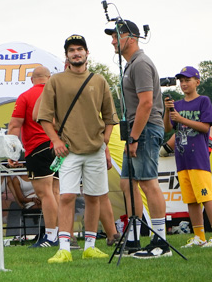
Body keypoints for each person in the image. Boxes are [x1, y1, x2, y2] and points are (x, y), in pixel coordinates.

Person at [37, 34, 117, 263]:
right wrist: (56, 141)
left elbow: (110, 117)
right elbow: (43, 116)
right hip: (69, 151)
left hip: (95, 150)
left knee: (94, 198)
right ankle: (64, 248)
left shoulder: (99, 80)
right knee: (67, 197)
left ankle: (90, 246)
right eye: (72, 50)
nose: (76, 53)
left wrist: (105, 144)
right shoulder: (56, 81)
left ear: (87, 53)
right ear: (67, 55)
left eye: (80, 49)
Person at [107, 19, 170, 258]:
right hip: (136, 131)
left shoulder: (141, 63)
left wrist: (133, 138)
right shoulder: (131, 64)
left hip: (143, 130)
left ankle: (161, 242)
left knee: (147, 182)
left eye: (116, 36)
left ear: (130, 38)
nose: (113, 41)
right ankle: (133, 239)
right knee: (127, 183)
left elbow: (146, 103)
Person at [8, 66, 61, 247]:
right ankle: (63, 235)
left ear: (32, 80)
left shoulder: (25, 96)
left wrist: (12, 153)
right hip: (59, 148)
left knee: (45, 194)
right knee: (56, 192)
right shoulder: (58, 93)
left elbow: (15, 125)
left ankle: (51, 236)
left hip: (38, 148)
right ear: (49, 77)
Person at [164, 65, 212, 248]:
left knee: (206, 197)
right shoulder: (177, 104)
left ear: (197, 82)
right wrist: (168, 110)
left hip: (199, 157)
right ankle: (199, 236)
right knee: (191, 200)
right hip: (182, 158)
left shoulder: (203, 101)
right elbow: (167, 129)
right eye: (181, 81)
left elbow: (205, 127)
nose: (183, 84)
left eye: (187, 80)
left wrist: (181, 119)